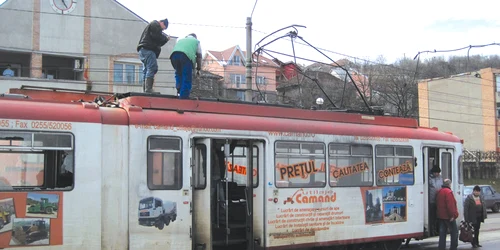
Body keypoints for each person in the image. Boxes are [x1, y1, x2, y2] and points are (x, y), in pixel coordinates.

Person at [137, 18, 171, 93]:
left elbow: (159, 42)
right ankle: (148, 89)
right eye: (163, 28)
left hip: (144, 50)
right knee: (152, 67)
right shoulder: (155, 24)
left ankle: (146, 89)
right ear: (161, 23)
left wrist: (165, 40)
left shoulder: (154, 27)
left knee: (146, 70)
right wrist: (165, 38)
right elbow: (157, 37)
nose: (162, 30)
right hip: (148, 49)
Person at [170, 33, 202, 99]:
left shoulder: (181, 40)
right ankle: (184, 97)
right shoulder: (196, 41)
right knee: (186, 77)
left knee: (178, 73)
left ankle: (179, 88)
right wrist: (198, 68)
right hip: (185, 56)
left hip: (174, 56)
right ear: (195, 37)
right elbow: (199, 56)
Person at [436, 179, 459, 250]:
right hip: (448, 216)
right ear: (449, 184)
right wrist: (453, 215)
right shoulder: (448, 192)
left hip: (441, 216)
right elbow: (450, 205)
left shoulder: (439, 191)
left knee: (442, 233)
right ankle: (453, 247)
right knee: (454, 232)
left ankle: (441, 247)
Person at [429, 165, 443, 235]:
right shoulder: (429, 179)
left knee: (438, 216)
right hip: (431, 200)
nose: (437, 174)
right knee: (432, 216)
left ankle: (437, 229)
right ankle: (432, 230)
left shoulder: (440, 178)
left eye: (438, 173)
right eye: (436, 173)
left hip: (439, 200)